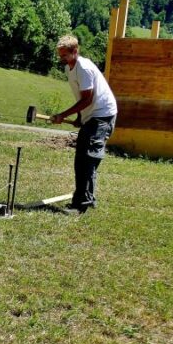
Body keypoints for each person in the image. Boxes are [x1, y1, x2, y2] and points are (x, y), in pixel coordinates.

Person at [50, 35, 118, 214]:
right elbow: (82, 98)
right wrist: (80, 118)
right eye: (60, 55)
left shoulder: (84, 67)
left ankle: (81, 205)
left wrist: (63, 114)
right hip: (92, 115)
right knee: (83, 157)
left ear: (75, 51)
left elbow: (87, 99)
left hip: (102, 115)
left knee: (87, 159)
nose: (61, 58)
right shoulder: (69, 68)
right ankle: (87, 199)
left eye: (64, 55)